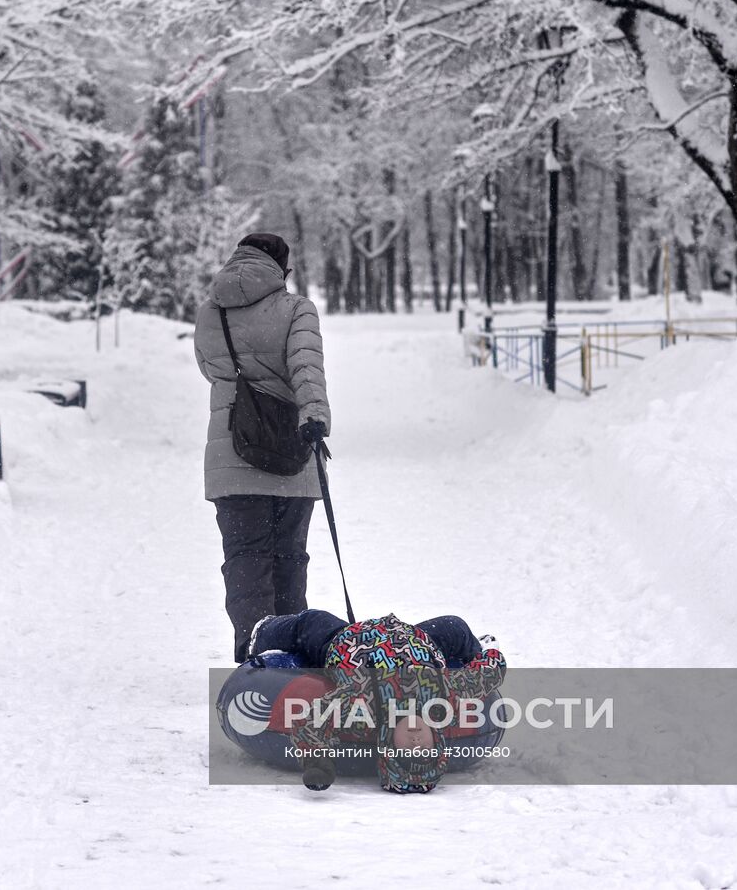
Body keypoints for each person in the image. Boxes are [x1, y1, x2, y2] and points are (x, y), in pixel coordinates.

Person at [194, 233, 330, 663]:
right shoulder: (296, 309)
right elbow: (305, 367)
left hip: (232, 452)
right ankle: (289, 653)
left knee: (244, 557)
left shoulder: (210, 311)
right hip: (290, 449)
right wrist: (314, 415)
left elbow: (208, 367)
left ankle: (253, 649)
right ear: (281, 270)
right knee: (288, 556)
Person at [248, 609, 506, 794]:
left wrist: (319, 762)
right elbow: (488, 673)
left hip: (347, 640)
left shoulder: (367, 708)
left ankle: (262, 632)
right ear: (436, 739)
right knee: (455, 625)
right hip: (416, 638)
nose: (416, 741)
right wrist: (486, 655)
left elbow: (314, 721)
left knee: (311, 621)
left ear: (389, 743)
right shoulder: (444, 698)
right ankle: (476, 645)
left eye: (406, 750)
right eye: (424, 750)